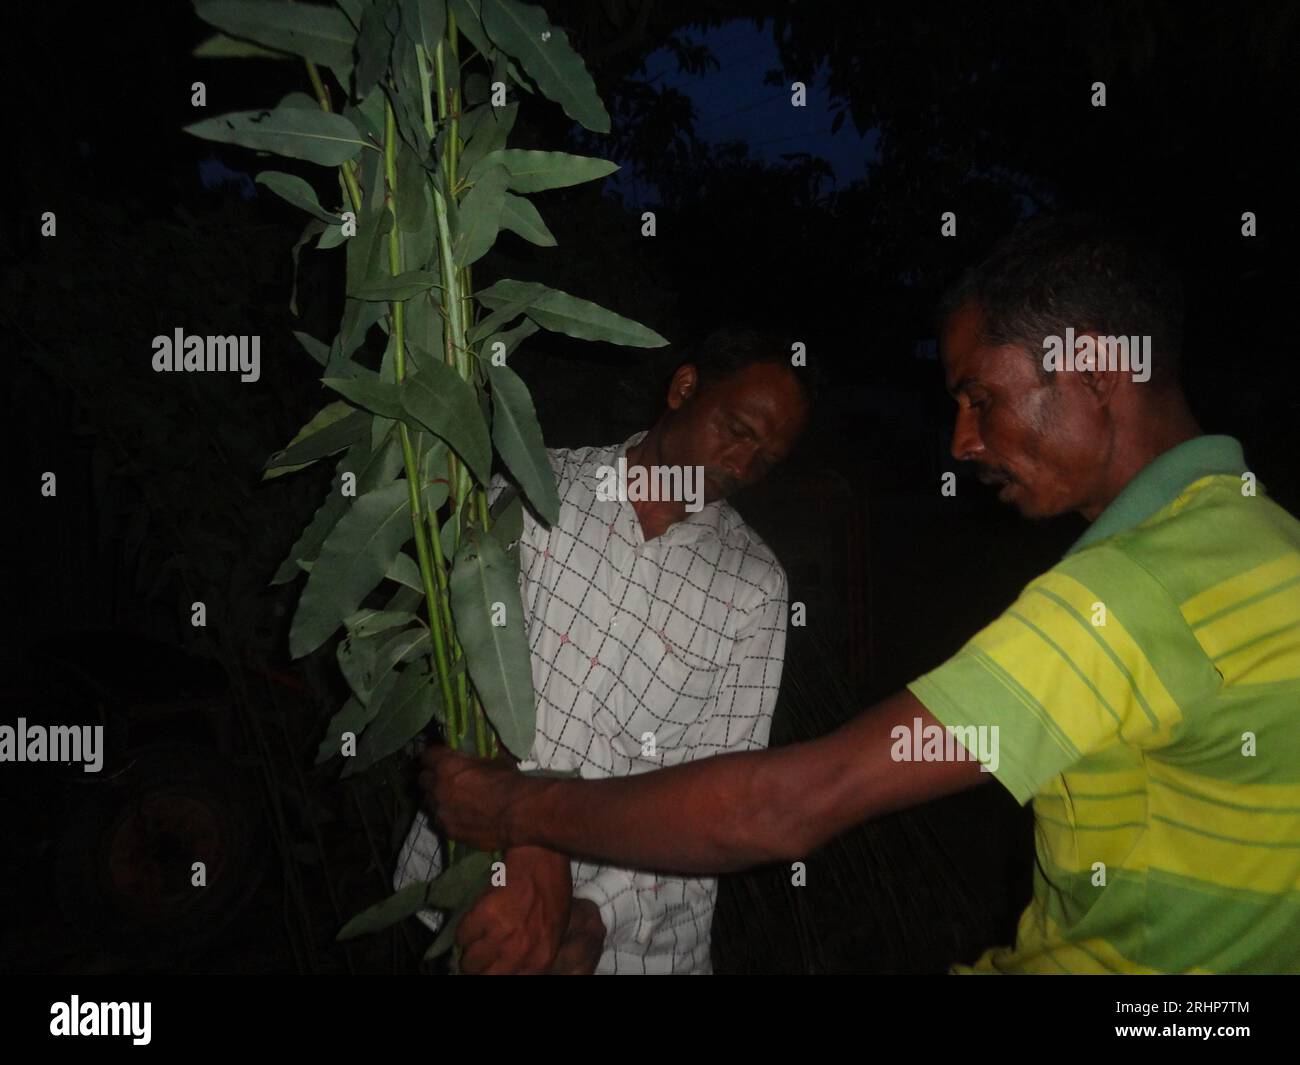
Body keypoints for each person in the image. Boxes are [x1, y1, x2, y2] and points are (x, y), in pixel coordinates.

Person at [424, 215, 1300, 974]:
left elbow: (785, 804)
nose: (960, 441)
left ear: (1097, 366)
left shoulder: (1130, 592)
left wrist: (516, 811)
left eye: (980, 397)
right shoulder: (1264, 543)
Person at [394, 326, 814, 973]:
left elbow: (713, 800)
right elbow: (452, 677)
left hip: (625, 949)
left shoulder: (754, 588)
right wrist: (528, 842)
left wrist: (590, 916)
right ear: (684, 388)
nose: (739, 464)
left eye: (765, 459)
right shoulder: (535, 496)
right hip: (470, 895)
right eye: (736, 428)